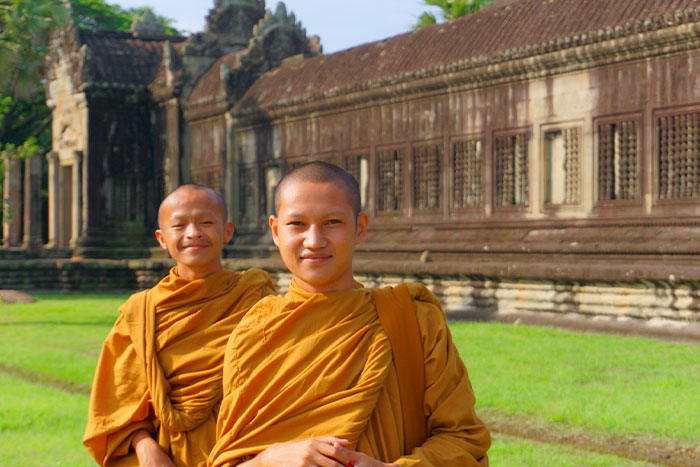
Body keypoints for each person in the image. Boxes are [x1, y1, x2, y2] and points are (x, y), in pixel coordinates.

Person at [208, 162, 490, 467]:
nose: (314, 240)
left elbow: (464, 438)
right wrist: (267, 460)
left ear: (360, 228)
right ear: (276, 231)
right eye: (297, 224)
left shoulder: (412, 319)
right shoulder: (253, 334)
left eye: (332, 222)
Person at [83, 184, 276, 467]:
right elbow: (117, 403)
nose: (193, 233)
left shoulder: (256, 297)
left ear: (227, 231)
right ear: (162, 238)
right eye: (179, 225)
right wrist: (145, 447)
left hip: (245, 452)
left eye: (206, 222)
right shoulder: (142, 313)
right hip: (163, 457)